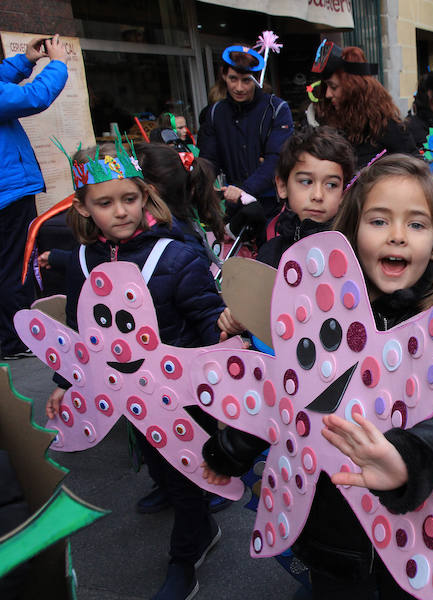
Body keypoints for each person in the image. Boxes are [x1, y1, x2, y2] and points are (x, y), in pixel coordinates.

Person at [201, 154, 433, 599]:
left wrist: (411, 457)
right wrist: (227, 452)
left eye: (416, 224)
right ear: (353, 232)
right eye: (379, 221)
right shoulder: (320, 315)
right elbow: (286, 398)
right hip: (330, 524)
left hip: (408, 521)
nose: (397, 235)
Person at [43, 140, 242, 599]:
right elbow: (81, 329)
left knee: (188, 470)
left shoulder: (175, 256)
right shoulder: (81, 261)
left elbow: (209, 321)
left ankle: (186, 555)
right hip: (128, 394)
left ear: (145, 194)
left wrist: (227, 345)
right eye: (105, 203)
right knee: (158, 462)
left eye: (129, 199)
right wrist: (65, 381)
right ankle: (180, 499)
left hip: (181, 394)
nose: (120, 212)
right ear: (83, 207)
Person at [0, 35, 68, 360]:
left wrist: (24, 61)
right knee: (16, 266)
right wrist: (57, 63)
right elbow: (34, 97)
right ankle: (17, 338)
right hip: (7, 194)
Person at [198, 46, 293, 217]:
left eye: (246, 80)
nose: (239, 87)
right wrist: (201, 184)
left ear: (257, 80)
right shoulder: (215, 112)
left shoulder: (277, 109)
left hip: (272, 205)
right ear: (224, 75)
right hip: (235, 203)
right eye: (233, 79)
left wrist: (245, 189)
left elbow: (277, 159)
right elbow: (209, 158)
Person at [255, 126, 355, 267]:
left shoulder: (353, 253)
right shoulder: (271, 254)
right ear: (283, 186)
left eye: (331, 185)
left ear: (343, 194)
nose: (318, 196)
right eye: (306, 182)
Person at [312, 42, 417, 169]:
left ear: (353, 89)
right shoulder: (332, 123)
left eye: (333, 87)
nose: (328, 94)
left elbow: (413, 168)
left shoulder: (387, 127)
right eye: (327, 87)